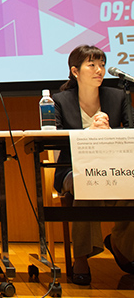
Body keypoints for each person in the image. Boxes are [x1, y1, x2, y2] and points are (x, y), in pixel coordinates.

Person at [53, 44, 134, 285]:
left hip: (114, 167)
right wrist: (89, 133)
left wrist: (110, 133)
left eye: (102, 65)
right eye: (92, 65)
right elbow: (53, 138)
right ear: (75, 71)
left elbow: (131, 133)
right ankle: (81, 258)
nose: (99, 70)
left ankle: (122, 245)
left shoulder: (118, 97)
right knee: (85, 184)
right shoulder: (60, 100)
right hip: (73, 170)